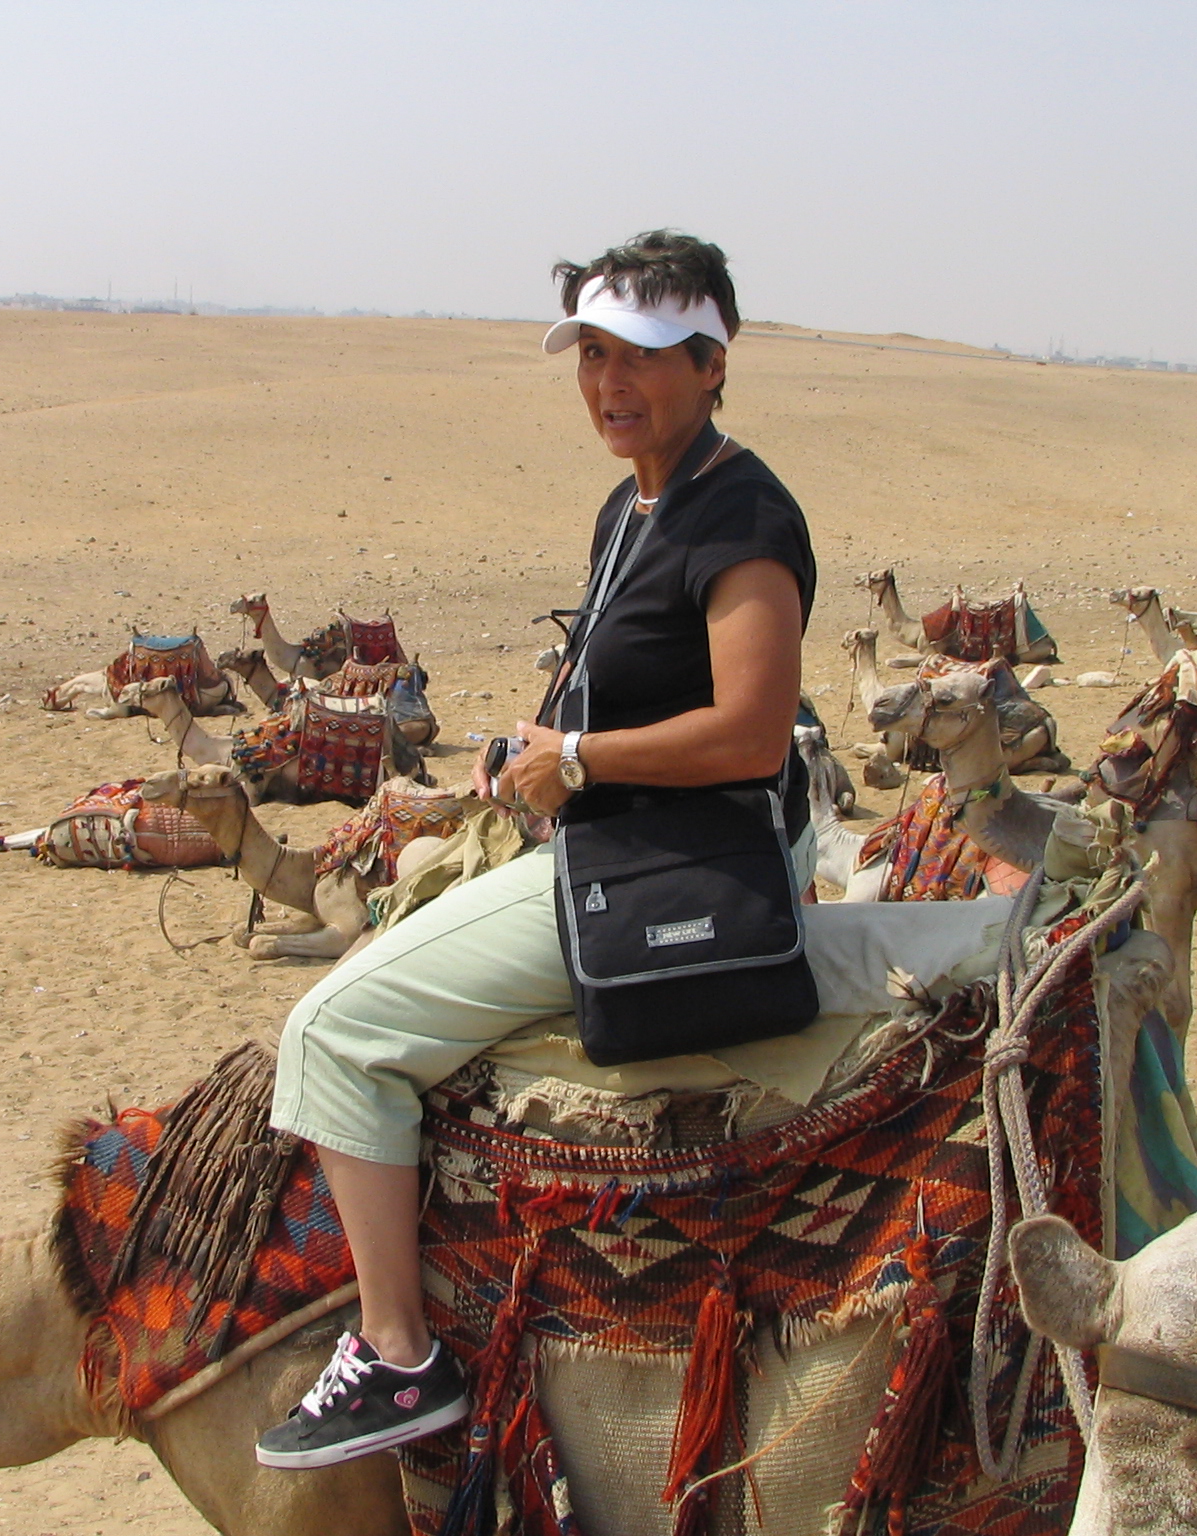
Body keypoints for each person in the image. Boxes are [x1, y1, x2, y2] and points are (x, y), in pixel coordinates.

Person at [255, 230, 818, 1470]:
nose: (610, 383)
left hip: (673, 869)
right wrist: (536, 742)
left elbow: (751, 729)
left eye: (645, 357)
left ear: (714, 362)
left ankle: (397, 1356)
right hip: (615, 835)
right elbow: (621, 683)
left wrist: (581, 762)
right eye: (593, 354)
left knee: (329, 1033)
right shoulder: (635, 503)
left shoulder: (743, 513)